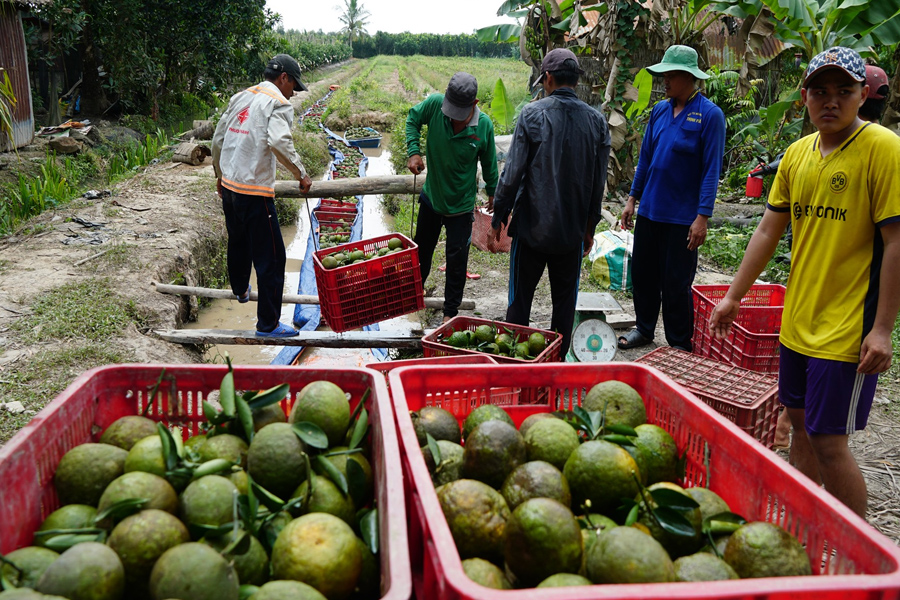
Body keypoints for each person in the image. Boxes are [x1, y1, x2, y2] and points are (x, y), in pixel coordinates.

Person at [709, 47, 900, 518]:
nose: (830, 101)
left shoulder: (882, 149)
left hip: (846, 325)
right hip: (798, 319)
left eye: (843, 91)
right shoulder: (797, 154)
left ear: (861, 96)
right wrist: (733, 295)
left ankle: (857, 552)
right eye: (820, 91)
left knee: (829, 439)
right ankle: (800, 521)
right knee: (797, 423)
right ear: (805, 98)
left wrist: (881, 330)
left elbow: (896, 243)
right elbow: (768, 230)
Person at [489, 48, 611, 357]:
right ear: (575, 81)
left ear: (548, 78)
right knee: (564, 306)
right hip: (570, 233)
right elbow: (598, 184)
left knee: (519, 303)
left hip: (531, 229)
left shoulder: (532, 114)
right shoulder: (597, 122)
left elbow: (512, 173)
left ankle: (514, 367)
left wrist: (498, 218)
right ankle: (555, 366)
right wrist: (589, 228)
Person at [617, 45, 726, 352]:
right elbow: (646, 159)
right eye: (663, 74)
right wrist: (632, 199)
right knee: (644, 275)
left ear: (689, 77)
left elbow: (710, 170)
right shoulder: (661, 111)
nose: (664, 80)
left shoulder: (710, 116)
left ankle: (679, 343)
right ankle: (645, 328)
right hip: (651, 211)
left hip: (682, 218)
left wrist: (702, 217)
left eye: (671, 75)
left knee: (676, 284)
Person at [212, 54, 312, 338]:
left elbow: (219, 138)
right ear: (284, 78)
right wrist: (301, 174)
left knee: (238, 240)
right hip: (254, 190)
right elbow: (279, 141)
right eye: (294, 86)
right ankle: (268, 324)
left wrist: (219, 175)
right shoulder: (278, 103)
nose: (293, 93)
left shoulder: (242, 96)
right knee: (273, 258)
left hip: (230, 185)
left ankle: (241, 289)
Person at [405, 72, 499, 324]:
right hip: (432, 200)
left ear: (475, 104)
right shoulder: (435, 105)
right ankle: (412, 300)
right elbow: (412, 119)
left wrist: (493, 193)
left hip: (461, 207)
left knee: (457, 262)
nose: (453, 118)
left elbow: (490, 165)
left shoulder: (484, 127)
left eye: (460, 113)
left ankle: (449, 314)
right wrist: (413, 151)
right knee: (420, 254)